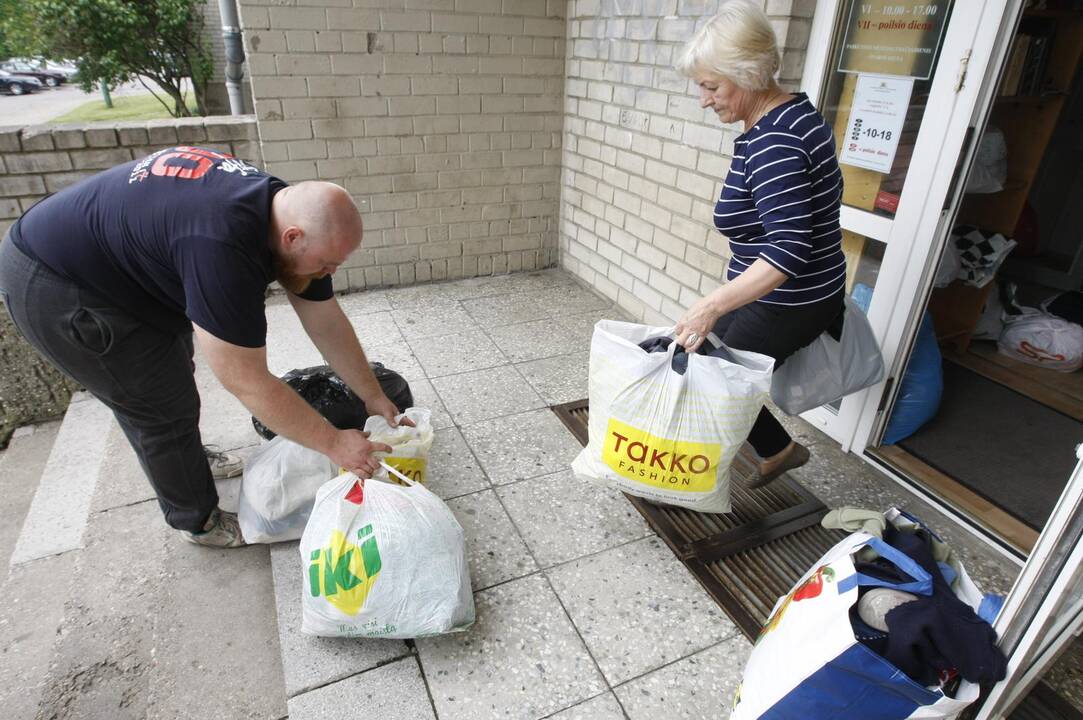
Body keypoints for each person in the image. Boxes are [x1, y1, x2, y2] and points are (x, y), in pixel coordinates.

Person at [0, 146, 405, 548]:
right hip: (58, 282)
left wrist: (372, 396)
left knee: (174, 372)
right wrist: (335, 444)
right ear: (292, 237)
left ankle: (186, 460)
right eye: (327, 264)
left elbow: (324, 318)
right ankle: (198, 521)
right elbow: (244, 379)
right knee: (159, 403)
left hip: (115, 262)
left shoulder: (280, 208)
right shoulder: (222, 246)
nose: (330, 272)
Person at [673, 0, 847, 488]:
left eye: (711, 86)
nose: (705, 100)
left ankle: (694, 481)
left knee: (706, 372)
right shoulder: (793, 115)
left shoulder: (775, 142)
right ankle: (777, 449)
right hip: (790, 292)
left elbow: (787, 251)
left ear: (747, 74)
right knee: (706, 358)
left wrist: (710, 304)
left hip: (789, 299)